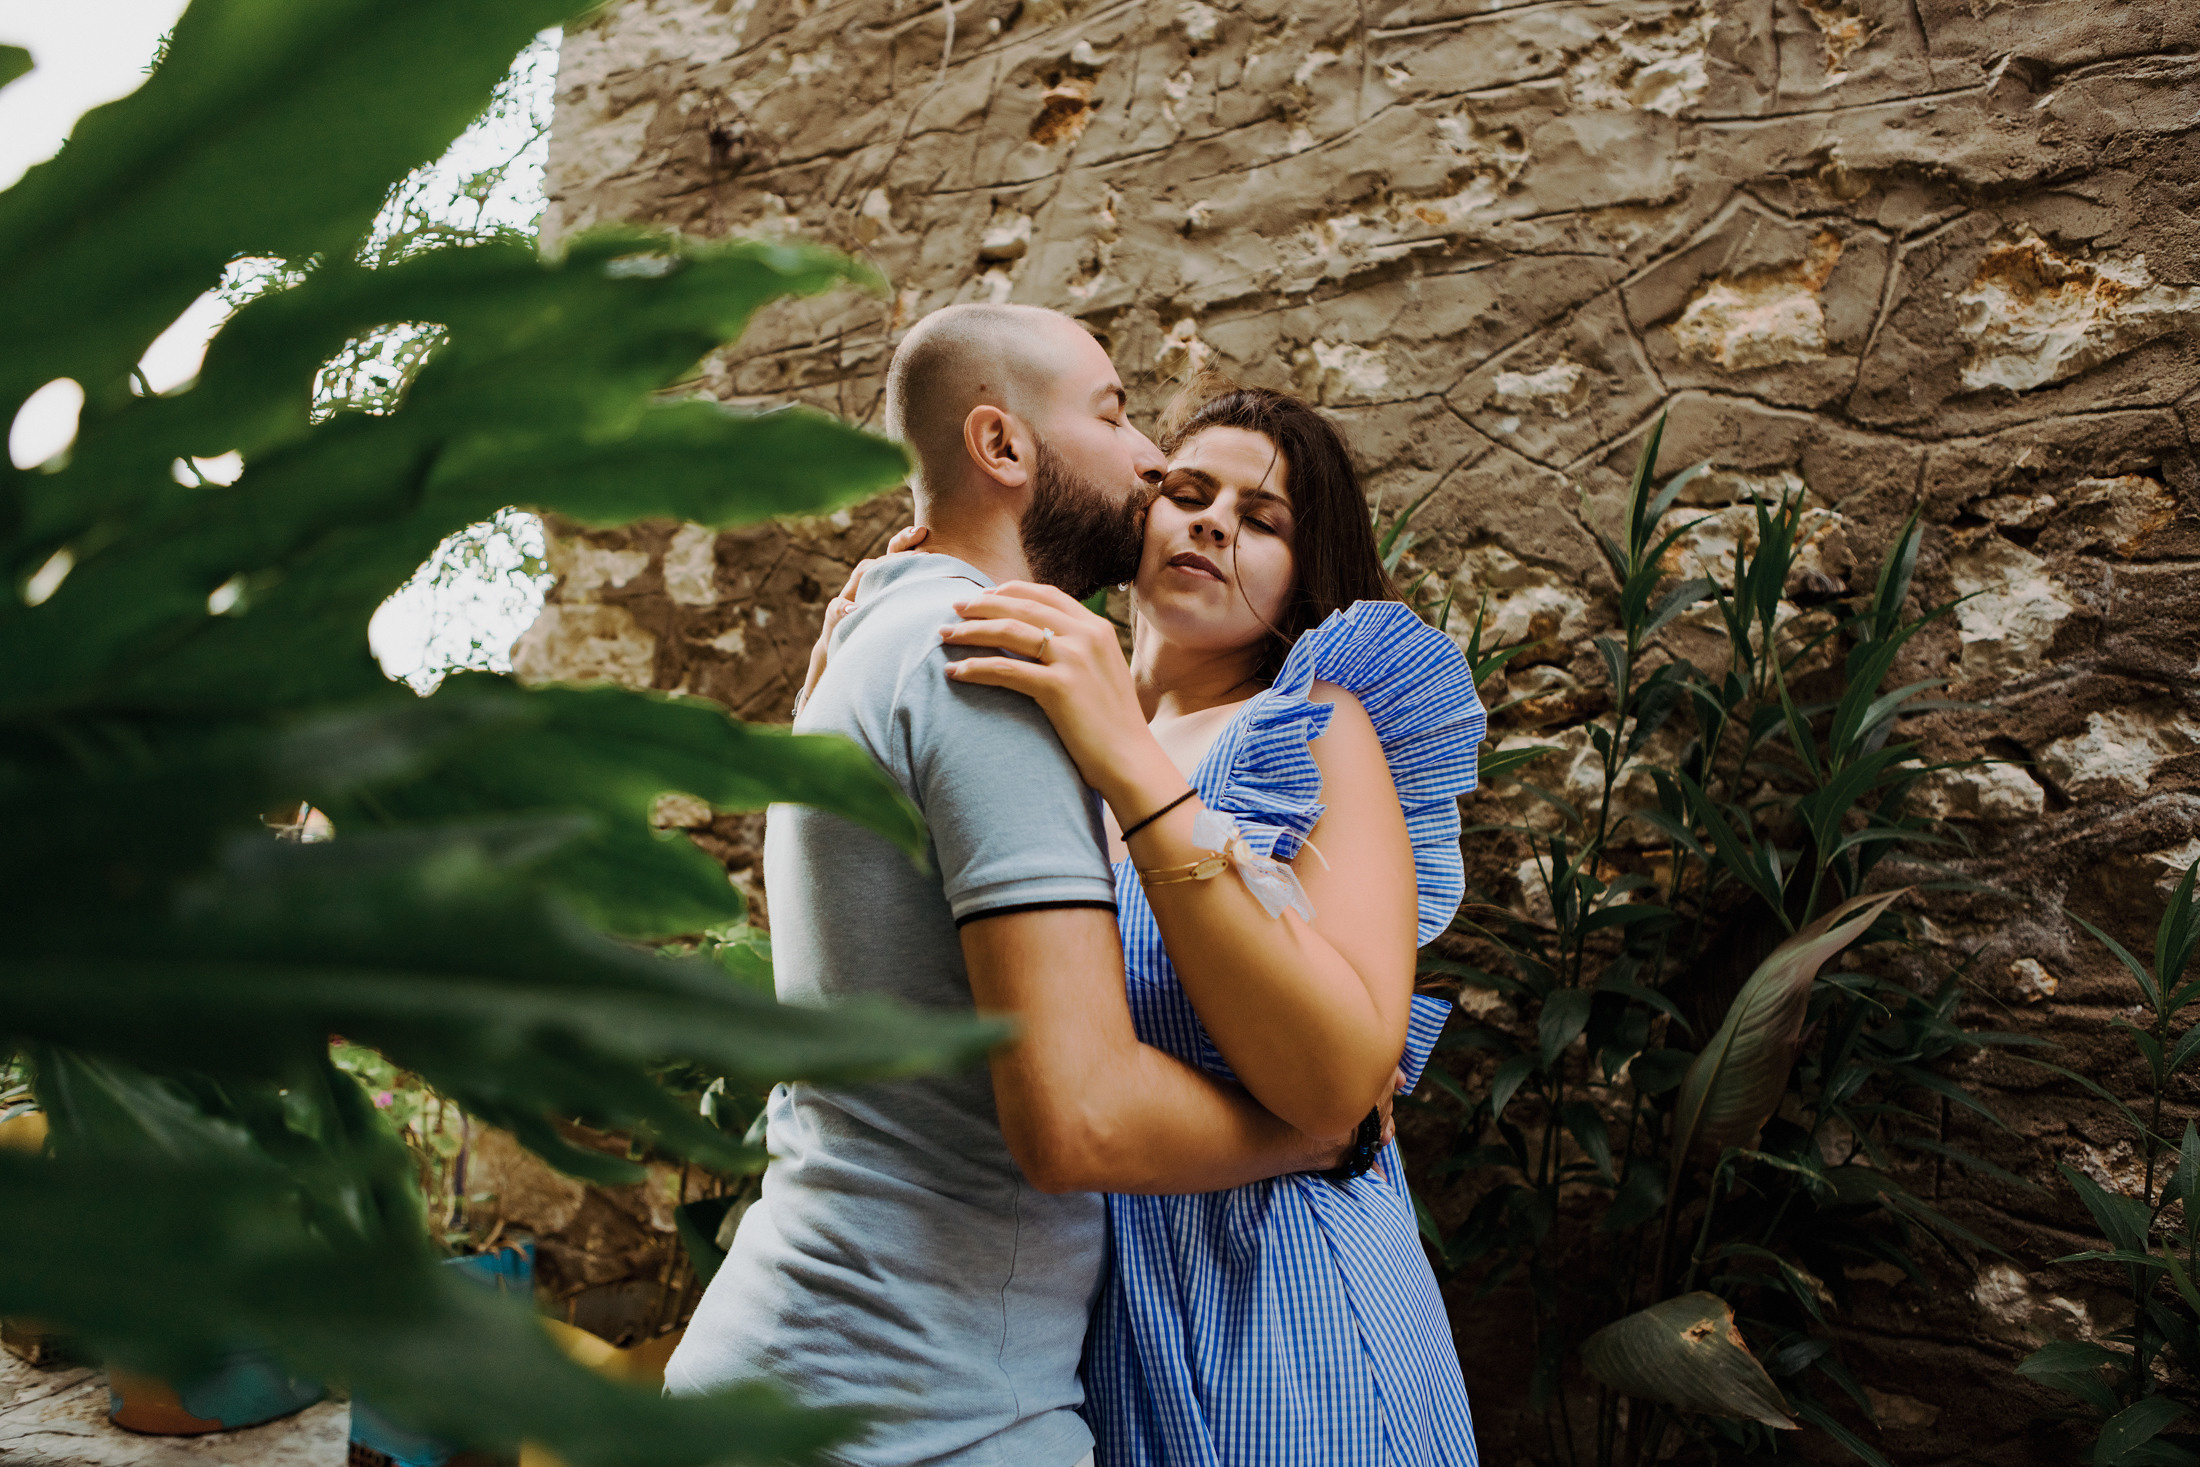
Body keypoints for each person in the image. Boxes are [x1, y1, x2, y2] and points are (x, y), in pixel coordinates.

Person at [664, 305, 1377, 1467]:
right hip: (919, 1408)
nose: (1152, 460)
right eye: (1113, 413)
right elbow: (1078, 1115)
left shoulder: (888, 639)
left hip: (798, 1359)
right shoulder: (984, 662)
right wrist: (1310, 1139)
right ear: (1002, 449)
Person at [812, 376, 1485, 1465]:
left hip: (1280, 1293)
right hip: (1078, 1317)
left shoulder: (1309, 722)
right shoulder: (1033, 730)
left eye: (1261, 522)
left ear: (1303, 572)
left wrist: (1132, 765)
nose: (1215, 521)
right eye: (1187, 491)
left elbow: (1342, 1082)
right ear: (1139, 518)